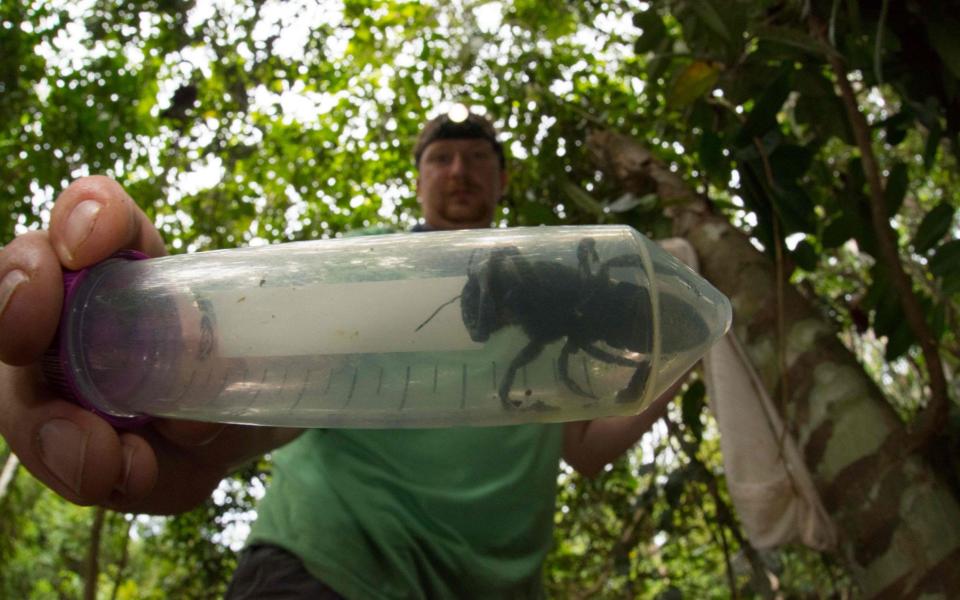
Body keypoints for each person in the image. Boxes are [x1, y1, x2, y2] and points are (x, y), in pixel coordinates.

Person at [0, 110, 676, 598]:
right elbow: (283, 384)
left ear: (503, 179)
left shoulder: (552, 265)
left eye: (477, 157)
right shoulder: (376, 262)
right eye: (441, 157)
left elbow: (585, 446)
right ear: (418, 181)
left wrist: (683, 344)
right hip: (327, 568)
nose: (459, 169)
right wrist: (191, 415)